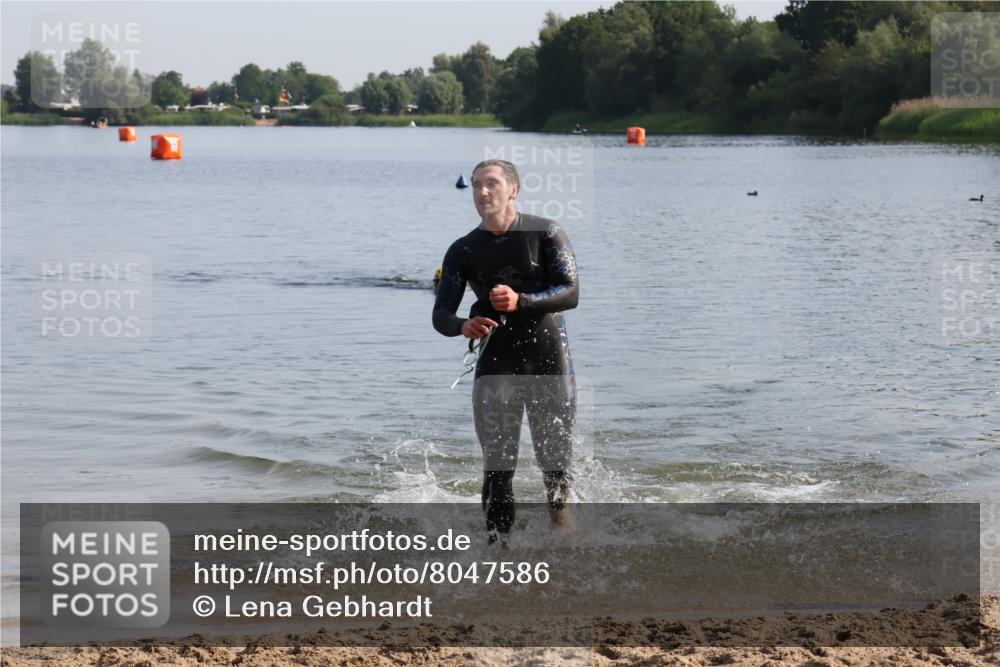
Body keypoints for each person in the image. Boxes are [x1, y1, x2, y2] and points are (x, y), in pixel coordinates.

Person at [432, 159, 579, 542]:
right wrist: (464, 325)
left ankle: (562, 532)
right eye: (478, 184)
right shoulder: (463, 249)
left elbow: (570, 292)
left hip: (548, 358)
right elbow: (441, 314)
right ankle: (498, 551)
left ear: (513, 190)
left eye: (492, 184)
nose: (482, 192)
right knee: (498, 468)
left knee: (555, 463)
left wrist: (522, 300)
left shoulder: (546, 233)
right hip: (497, 361)